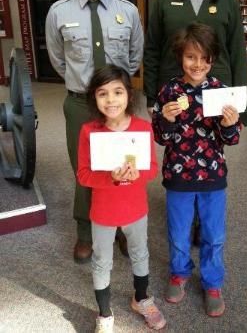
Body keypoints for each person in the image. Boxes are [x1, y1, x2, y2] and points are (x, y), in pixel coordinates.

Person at [143, 0, 247, 246]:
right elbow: (152, 49)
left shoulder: (228, 1)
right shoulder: (165, 0)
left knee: (210, 152)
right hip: (173, 92)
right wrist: (153, 96)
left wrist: (241, 108)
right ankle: (184, 217)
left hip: (217, 94)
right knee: (179, 152)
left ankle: (199, 223)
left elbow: (237, 53)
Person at [46, 0, 144, 263]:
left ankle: (118, 228)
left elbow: (133, 58)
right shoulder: (59, 12)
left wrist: (116, 95)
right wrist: (84, 85)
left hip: (119, 106)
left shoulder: (127, 11)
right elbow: (58, 61)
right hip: (79, 104)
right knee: (85, 169)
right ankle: (86, 232)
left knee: (122, 164)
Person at [151, 22, 242, 317]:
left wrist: (229, 125)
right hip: (178, 176)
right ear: (181, 57)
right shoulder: (168, 91)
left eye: (204, 58)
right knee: (178, 233)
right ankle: (179, 273)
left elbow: (233, 138)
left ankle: (213, 283)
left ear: (212, 60)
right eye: (191, 57)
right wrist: (165, 119)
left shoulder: (220, 91)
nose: (197, 64)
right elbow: (160, 138)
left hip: (213, 177)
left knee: (214, 235)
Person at [77, 64, 166, 333]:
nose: (111, 100)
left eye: (117, 92)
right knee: (102, 260)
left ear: (129, 94)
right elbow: (83, 175)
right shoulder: (89, 131)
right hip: (103, 211)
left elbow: (151, 168)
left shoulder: (142, 128)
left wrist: (136, 174)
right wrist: (110, 178)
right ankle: (104, 313)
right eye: (103, 93)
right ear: (94, 97)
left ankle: (141, 299)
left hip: (136, 208)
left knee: (140, 252)